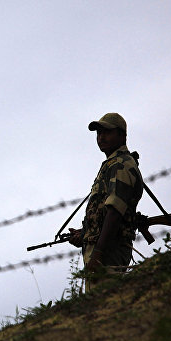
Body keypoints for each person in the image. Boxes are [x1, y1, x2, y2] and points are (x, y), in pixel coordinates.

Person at [68, 113, 144, 292]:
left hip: (109, 251)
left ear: (122, 135)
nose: (101, 137)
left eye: (107, 132)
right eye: (99, 133)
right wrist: (86, 233)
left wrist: (99, 252)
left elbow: (115, 211)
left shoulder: (121, 164)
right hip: (103, 249)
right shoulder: (111, 164)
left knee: (104, 302)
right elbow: (104, 211)